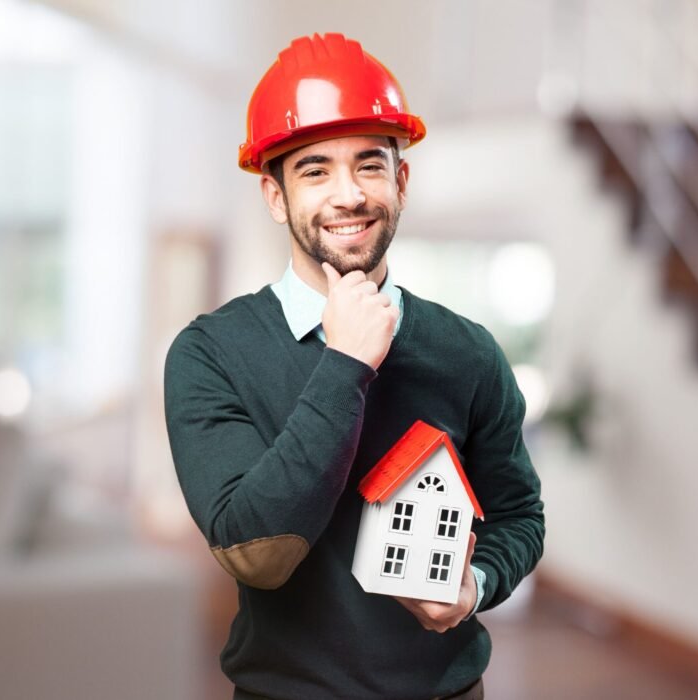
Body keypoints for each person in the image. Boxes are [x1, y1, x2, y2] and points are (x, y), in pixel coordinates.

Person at [164, 32, 545, 700]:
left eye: (370, 165)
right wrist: (346, 362)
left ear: (400, 180)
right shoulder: (209, 355)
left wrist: (477, 584)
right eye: (315, 170)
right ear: (276, 196)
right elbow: (257, 552)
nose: (349, 195)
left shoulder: (468, 352)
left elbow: (519, 516)